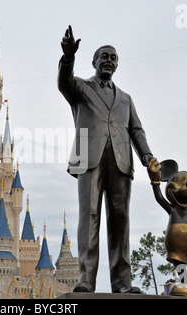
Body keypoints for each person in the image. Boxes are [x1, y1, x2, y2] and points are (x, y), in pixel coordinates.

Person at [58, 25, 154, 293]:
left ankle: (122, 282)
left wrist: (146, 155)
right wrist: (67, 58)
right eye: (104, 56)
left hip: (122, 161)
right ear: (94, 62)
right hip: (88, 158)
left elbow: (136, 129)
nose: (109, 61)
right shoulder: (81, 87)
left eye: (113, 58)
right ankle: (86, 278)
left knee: (120, 219)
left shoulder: (125, 98)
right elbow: (63, 82)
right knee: (89, 215)